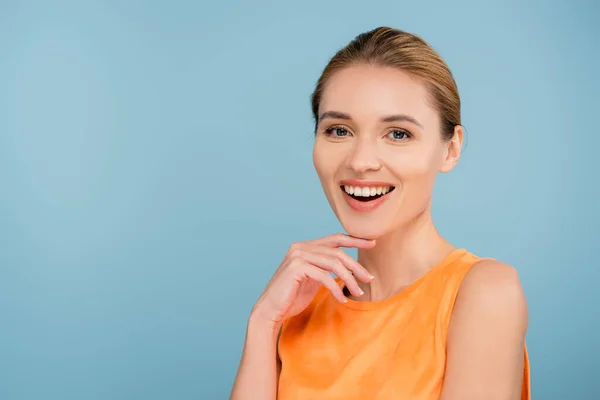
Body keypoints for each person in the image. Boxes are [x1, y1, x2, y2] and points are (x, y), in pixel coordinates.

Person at [229, 26, 530, 400]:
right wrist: (263, 323)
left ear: (450, 150)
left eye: (398, 134)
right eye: (338, 130)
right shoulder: (298, 306)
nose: (361, 161)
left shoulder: (485, 292)